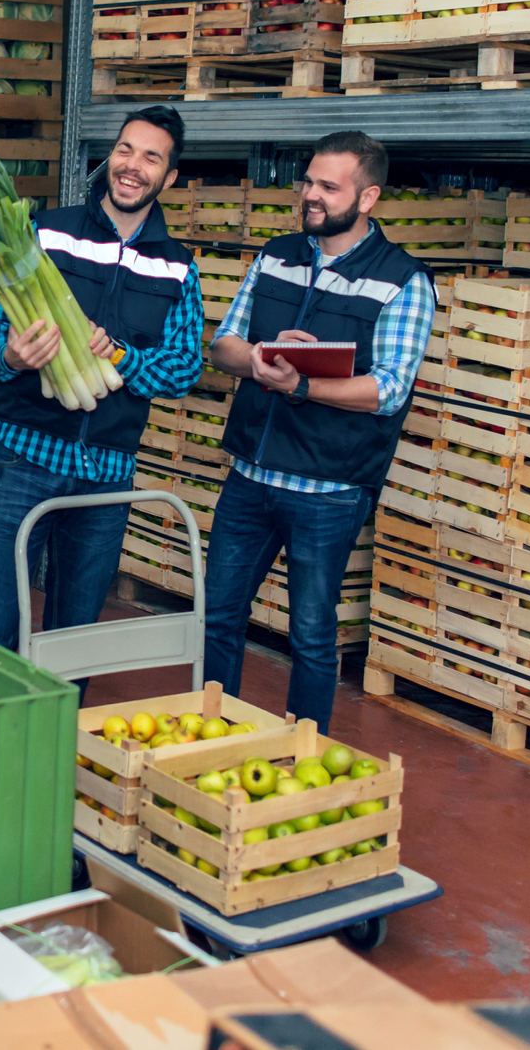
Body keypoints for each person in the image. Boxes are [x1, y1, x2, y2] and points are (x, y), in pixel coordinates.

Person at [203, 130, 433, 732]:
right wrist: (258, 359)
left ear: (369, 197)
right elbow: (223, 343)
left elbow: (388, 389)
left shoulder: (403, 279)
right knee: (218, 617)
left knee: (309, 635)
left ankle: (303, 753)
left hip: (329, 491)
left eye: (328, 187)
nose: (311, 195)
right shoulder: (275, 255)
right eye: (308, 181)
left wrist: (301, 386)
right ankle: (209, 735)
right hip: (251, 475)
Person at [0, 107, 206, 651]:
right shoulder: (44, 233)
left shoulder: (177, 266)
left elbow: (185, 367)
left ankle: (59, 733)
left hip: (106, 471)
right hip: (23, 456)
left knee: (74, 637)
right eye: (124, 149)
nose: (132, 165)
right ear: (109, 158)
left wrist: (122, 357)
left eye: (151, 157)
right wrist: (15, 356)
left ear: (168, 178)